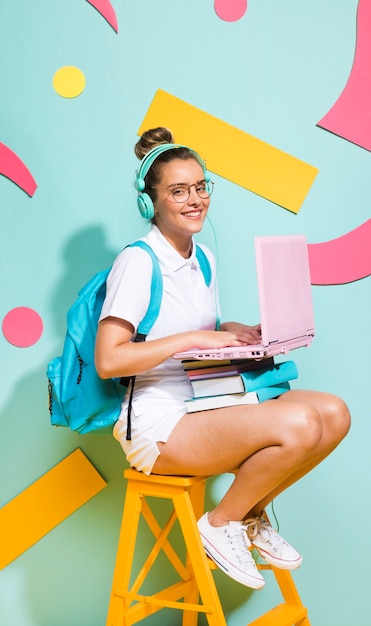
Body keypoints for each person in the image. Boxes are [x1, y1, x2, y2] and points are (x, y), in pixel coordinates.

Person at [95, 127, 351, 590]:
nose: (194, 200)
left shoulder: (203, 258)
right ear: (149, 201)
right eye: (178, 190)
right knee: (300, 426)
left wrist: (236, 332)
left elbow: (192, 326)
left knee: (333, 414)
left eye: (200, 186)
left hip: (204, 403)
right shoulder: (138, 261)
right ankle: (219, 524)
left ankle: (248, 517)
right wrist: (192, 339)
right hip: (158, 425)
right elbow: (110, 360)